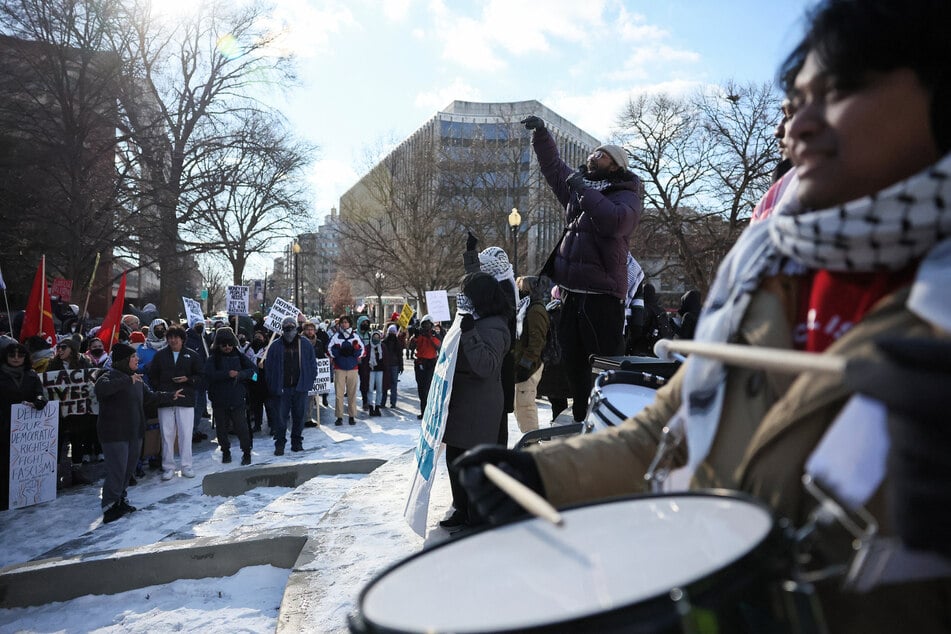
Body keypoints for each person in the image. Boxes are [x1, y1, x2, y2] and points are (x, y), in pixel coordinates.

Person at [458, 1, 951, 630]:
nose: (797, 126)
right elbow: (662, 433)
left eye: (842, 89)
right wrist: (537, 473)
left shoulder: (626, 196)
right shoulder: (764, 274)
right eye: (794, 102)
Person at [521, 113, 643, 423]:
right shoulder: (579, 188)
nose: (594, 155)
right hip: (572, 295)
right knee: (573, 363)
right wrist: (542, 136)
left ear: (615, 165)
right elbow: (553, 168)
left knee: (604, 364)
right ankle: (579, 419)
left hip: (602, 296)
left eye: (602, 154)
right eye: (595, 151)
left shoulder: (628, 193)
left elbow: (616, 223)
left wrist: (584, 192)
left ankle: (610, 421)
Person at [439, 272, 512, 531]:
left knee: (473, 465)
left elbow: (486, 366)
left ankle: (477, 519)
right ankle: (462, 509)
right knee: (455, 460)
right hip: (462, 404)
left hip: (478, 409)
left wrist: (469, 333)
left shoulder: (494, 326)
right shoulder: (476, 320)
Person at [95, 343, 183, 523]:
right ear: (124, 361)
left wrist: (170, 395)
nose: (138, 359)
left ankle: (120, 499)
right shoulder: (108, 376)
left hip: (134, 432)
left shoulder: (137, 379)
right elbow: (101, 390)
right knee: (117, 470)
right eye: (134, 357)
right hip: (114, 434)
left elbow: (151, 397)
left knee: (128, 470)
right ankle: (109, 505)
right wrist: (128, 380)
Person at [145, 325, 203, 480]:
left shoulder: (192, 355)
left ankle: (186, 465)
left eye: (176, 337)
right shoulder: (160, 355)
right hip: (165, 399)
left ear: (182, 339)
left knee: (185, 433)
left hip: (185, 398)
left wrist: (188, 380)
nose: (173, 340)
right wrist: (162, 389)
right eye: (170, 337)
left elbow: (200, 376)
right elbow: (152, 375)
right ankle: (168, 467)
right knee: (167, 434)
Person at [0, 342, 47, 511]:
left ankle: (26, 494)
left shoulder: (31, 375)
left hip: (26, 430)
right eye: (12, 355)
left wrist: (39, 402)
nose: (16, 358)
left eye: (20, 355)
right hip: (4, 426)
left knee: (23, 463)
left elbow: (40, 394)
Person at [263, 317, 318, 453]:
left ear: (296, 327)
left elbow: (312, 365)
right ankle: (280, 444)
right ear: (282, 328)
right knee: (280, 419)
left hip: (300, 388)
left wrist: (308, 381)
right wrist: (273, 385)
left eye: (291, 326)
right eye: (286, 326)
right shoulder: (275, 346)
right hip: (282, 389)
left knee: (299, 417)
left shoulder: (305, 344)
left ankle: (296, 442)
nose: (289, 329)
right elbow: (268, 368)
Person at [204, 327, 255, 466]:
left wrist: (241, 375)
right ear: (218, 344)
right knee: (222, 428)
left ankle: (246, 451)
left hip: (237, 398)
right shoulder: (212, 359)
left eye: (229, 344)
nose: (227, 347)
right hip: (220, 400)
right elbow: (208, 376)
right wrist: (226, 374)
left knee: (241, 427)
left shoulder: (239, 355)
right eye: (224, 344)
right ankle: (225, 451)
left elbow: (254, 373)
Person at [512, 276, 551, 434]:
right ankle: (528, 438)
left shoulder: (535, 310)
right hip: (524, 364)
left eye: (520, 287)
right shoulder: (526, 307)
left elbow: (537, 341)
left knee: (525, 405)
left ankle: (532, 442)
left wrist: (525, 364)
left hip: (530, 367)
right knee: (520, 405)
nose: (518, 291)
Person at [328, 315, 362, 426]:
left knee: (352, 394)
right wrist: (339, 353)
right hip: (339, 368)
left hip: (353, 368)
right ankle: (339, 416)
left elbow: (363, 351)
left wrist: (354, 352)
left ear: (350, 324)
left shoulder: (355, 336)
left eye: (346, 322)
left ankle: (352, 416)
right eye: (342, 322)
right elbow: (328, 349)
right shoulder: (336, 337)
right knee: (339, 394)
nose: (344, 324)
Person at [409, 315, 441, 420]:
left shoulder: (434, 335)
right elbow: (410, 347)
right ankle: (424, 411)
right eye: (424, 325)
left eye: (427, 325)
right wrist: (415, 337)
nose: (425, 327)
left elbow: (439, 346)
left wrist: (430, 337)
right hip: (420, 363)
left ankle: (429, 411)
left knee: (428, 388)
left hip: (431, 364)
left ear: (431, 325)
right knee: (421, 389)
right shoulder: (419, 335)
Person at [299, 321, 322, 426]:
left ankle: (308, 418)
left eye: (312, 329)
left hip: (313, 372)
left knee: (311, 397)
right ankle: (298, 417)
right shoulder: (298, 341)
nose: (310, 331)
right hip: (300, 372)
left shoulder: (319, 342)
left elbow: (322, 355)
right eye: (307, 329)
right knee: (300, 397)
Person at [381, 324, 404, 408]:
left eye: (393, 332)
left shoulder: (397, 343)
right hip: (388, 365)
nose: (392, 334)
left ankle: (391, 402)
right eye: (391, 332)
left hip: (394, 365)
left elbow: (400, 355)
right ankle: (385, 402)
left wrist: (401, 366)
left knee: (391, 384)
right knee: (387, 384)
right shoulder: (384, 342)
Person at [365, 329, 386, 416]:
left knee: (379, 389)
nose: (376, 339)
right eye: (375, 337)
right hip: (371, 370)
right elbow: (365, 359)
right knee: (370, 389)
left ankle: (377, 406)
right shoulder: (368, 347)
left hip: (380, 370)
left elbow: (385, 359)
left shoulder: (383, 347)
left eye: (378, 337)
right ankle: (370, 406)